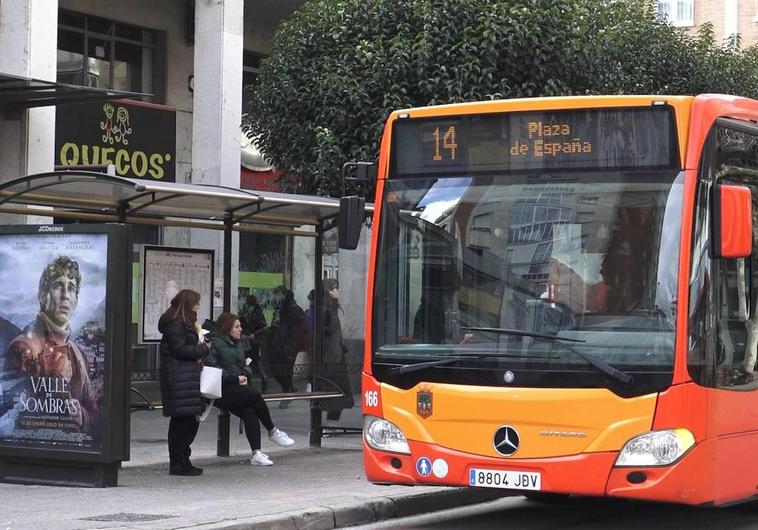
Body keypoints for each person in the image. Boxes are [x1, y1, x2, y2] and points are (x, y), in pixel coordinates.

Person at [4, 256, 98, 433]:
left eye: (71, 288)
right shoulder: (23, 348)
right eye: (57, 286)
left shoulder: (79, 355)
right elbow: (13, 412)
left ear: (76, 300)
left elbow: (95, 414)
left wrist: (81, 416)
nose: (65, 296)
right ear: (42, 295)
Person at [209, 312, 295, 466]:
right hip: (222, 390)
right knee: (255, 396)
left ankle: (257, 453)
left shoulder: (237, 344)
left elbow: (245, 365)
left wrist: (244, 374)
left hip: (237, 387)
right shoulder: (215, 344)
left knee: (250, 411)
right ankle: (273, 431)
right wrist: (234, 378)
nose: (240, 329)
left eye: (240, 326)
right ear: (227, 328)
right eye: (237, 326)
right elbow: (213, 368)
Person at [158, 289, 210, 476]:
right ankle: (178, 462)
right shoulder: (175, 324)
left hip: (185, 378)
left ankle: (183, 460)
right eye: (196, 303)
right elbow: (180, 349)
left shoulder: (185, 323)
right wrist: (203, 349)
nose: (198, 306)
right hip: (178, 378)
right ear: (188, 304)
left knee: (189, 420)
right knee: (182, 422)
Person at [321, 279, 354, 421]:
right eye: (334, 288)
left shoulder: (333, 308)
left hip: (336, 354)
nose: (337, 291)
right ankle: (328, 423)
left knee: (338, 392)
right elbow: (323, 334)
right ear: (328, 290)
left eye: (337, 288)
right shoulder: (326, 309)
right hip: (330, 358)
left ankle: (331, 422)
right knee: (335, 391)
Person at [266, 286, 307, 396]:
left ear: (283, 295)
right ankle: (288, 386)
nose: (276, 297)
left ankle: (287, 388)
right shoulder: (282, 308)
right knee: (282, 367)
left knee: (284, 367)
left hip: (288, 343)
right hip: (283, 342)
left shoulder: (291, 309)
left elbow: (293, 329)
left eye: (278, 294)